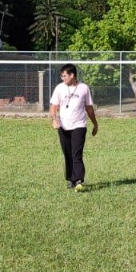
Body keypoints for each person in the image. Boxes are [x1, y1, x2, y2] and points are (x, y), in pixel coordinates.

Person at [48, 63, 98, 192]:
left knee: (77, 153)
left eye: (64, 76)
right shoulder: (59, 88)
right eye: (62, 76)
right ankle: (70, 179)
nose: (62, 78)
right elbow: (53, 106)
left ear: (72, 75)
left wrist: (95, 124)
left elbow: (89, 108)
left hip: (79, 125)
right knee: (68, 153)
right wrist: (54, 119)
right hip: (63, 126)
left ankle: (79, 180)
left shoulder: (84, 88)